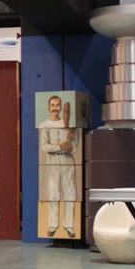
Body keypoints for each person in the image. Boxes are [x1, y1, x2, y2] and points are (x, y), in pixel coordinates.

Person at [38, 95, 80, 238]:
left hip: (67, 159)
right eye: (53, 105)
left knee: (70, 192)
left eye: (57, 105)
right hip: (52, 160)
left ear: (61, 107)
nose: (55, 108)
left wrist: (70, 145)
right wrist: (59, 146)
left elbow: (75, 145)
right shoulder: (45, 125)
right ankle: (52, 225)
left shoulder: (69, 125)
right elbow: (44, 146)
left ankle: (69, 226)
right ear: (48, 108)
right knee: (53, 192)